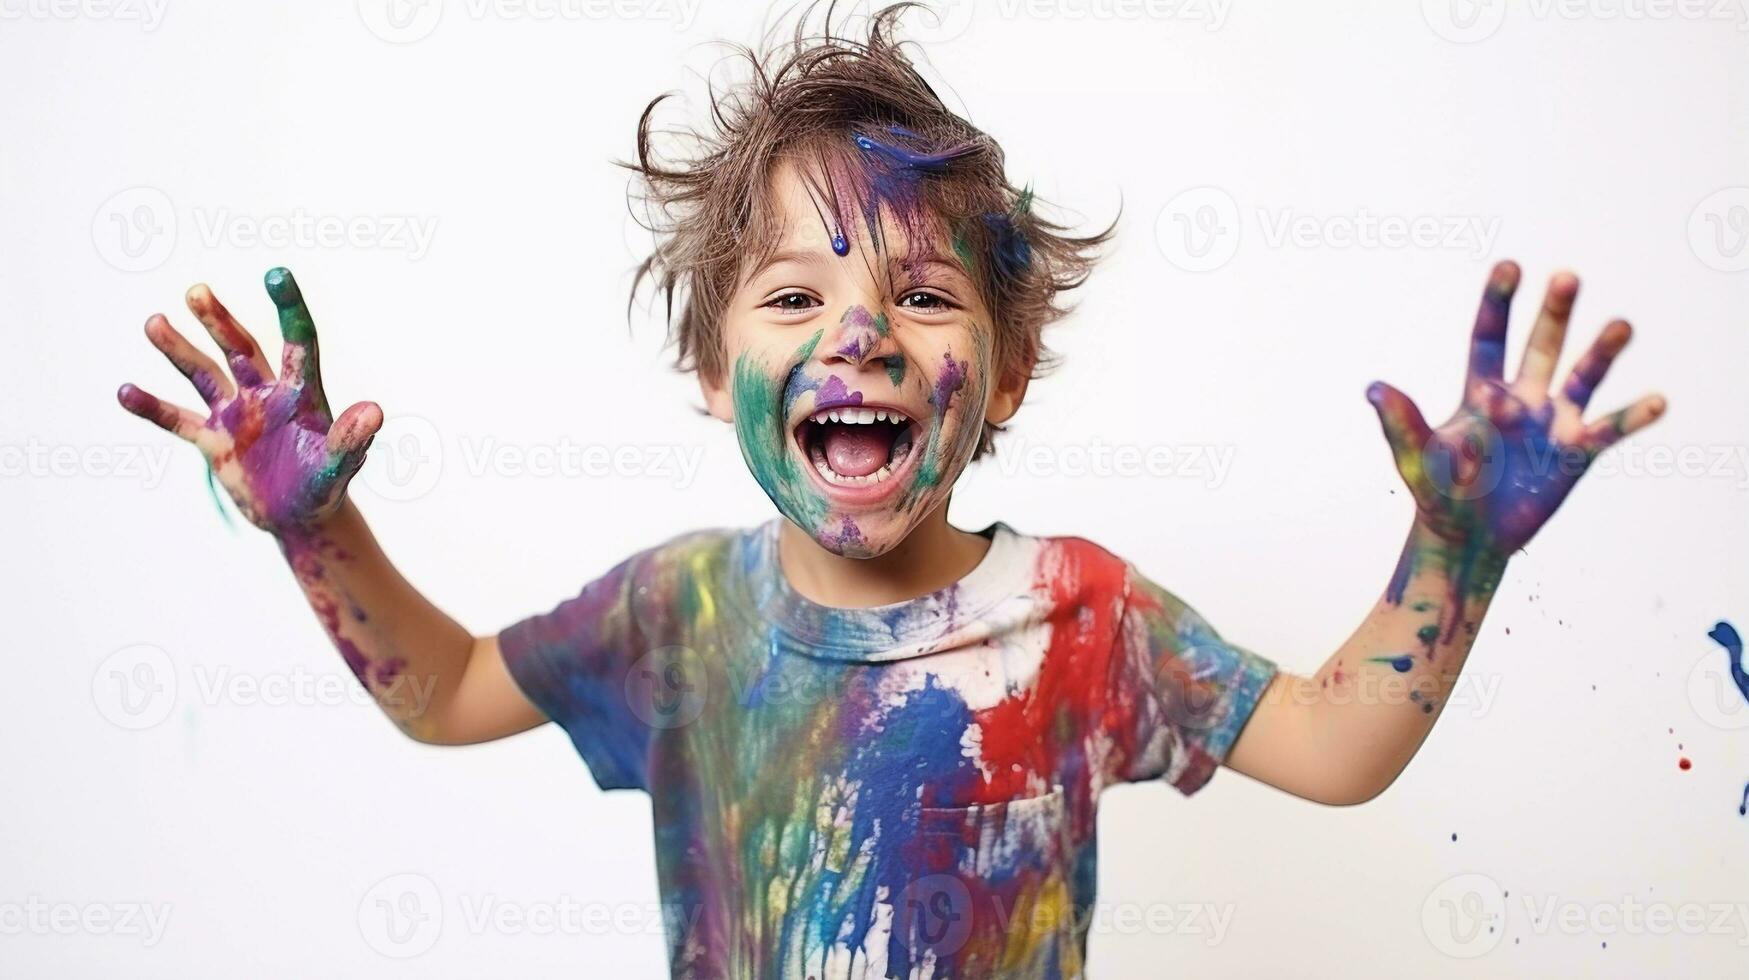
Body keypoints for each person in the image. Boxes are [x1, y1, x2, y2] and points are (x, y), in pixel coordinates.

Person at [114, 6, 1667, 977]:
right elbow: (444, 691)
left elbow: (1334, 750)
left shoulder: (1083, 613)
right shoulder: (679, 615)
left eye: (925, 297)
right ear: (706, 361)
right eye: (790, 298)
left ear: (998, 378)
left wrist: (1453, 552)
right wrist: (317, 529)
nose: (857, 330)